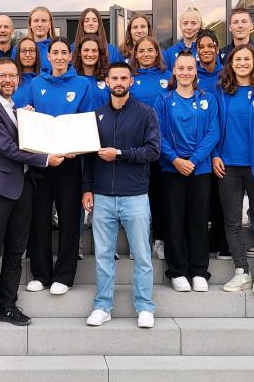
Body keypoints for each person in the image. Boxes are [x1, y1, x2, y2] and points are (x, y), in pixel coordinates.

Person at [0, 58, 65, 330]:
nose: (7, 80)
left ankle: (7, 306)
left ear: (18, 80)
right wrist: (47, 159)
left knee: (15, 253)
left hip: (22, 189)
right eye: (2, 76)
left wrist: (27, 119)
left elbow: (20, 137)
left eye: (12, 76)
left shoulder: (14, 109)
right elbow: (8, 148)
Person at [82, 62, 160, 329]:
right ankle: (103, 306)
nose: (118, 82)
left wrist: (121, 154)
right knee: (103, 256)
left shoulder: (146, 113)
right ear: (107, 81)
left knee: (142, 255)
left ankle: (145, 306)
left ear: (131, 81)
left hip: (135, 195)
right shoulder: (96, 115)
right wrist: (87, 188)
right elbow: (88, 158)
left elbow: (153, 152)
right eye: (114, 77)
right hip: (102, 196)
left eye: (123, 77)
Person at [25, 36, 94, 295]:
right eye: (55, 52)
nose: (59, 57)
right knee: (39, 218)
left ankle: (64, 276)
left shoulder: (82, 84)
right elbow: (30, 115)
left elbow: (86, 120)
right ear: (48, 56)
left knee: (69, 217)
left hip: (70, 161)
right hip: (42, 161)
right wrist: (29, 114)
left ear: (70, 56)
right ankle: (40, 274)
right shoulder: (36, 83)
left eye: (64, 52)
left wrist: (77, 145)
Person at [212, 44, 254, 295]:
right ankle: (241, 270)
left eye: (247, 59)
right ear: (230, 63)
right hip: (228, 166)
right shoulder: (221, 91)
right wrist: (215, 155)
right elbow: (214, 127)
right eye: (237, 59)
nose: (242, 63)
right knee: (231, 220)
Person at [154, 52, 219, 292]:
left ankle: (199, 270)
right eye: (180, 68)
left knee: (199, 220)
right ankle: (177, 271)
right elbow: (157, 134)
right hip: (171, 169)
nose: (185, 72)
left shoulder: (208, 99)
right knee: (174, 220)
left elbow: (213, 132)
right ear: (174, 71)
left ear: (196, 71)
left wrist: (193, 160)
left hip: (199, 169)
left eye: (189, 68)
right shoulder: (163, 100)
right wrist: (175, 159)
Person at [129, 37, 171, 261]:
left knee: (159, 197)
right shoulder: (130, 78)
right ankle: (139, 244)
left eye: (150, 50)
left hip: (162, 148)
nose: (145, 54)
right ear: (135, 54)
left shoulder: (167, 77)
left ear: (157, 53)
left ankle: (159, 240)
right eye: (141, 50)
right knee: (137, 199)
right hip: (136, 148)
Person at [195, 29, 230, 260]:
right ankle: (202, 243)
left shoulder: (226, 74)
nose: (206, 50)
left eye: (210, 46)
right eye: (202, 47)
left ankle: (221, 242)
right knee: (202, 199)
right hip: (198, 146)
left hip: (223, 144)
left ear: (217, 48)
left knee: (221, 197)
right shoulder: (192, 74)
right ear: (196, 51)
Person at [72, 34, 111, 109]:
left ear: (99, 53)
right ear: (80, 53)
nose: (90, 54)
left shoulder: (108, 79)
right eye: (86, 50)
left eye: (94, 50)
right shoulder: (71, 79)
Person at [11, 37, 39, 106]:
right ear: (18, 54)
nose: (27, 54)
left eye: (31, 51)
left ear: (36, 54)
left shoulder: (44, 80)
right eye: (23, 51)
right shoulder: (10, 80)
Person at [28, 6, 55, 72]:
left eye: (44, 21)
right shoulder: (19, 48)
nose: (40, 24)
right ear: (30, 24)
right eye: (36, 21)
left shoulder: (57, 47)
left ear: (50, 25)